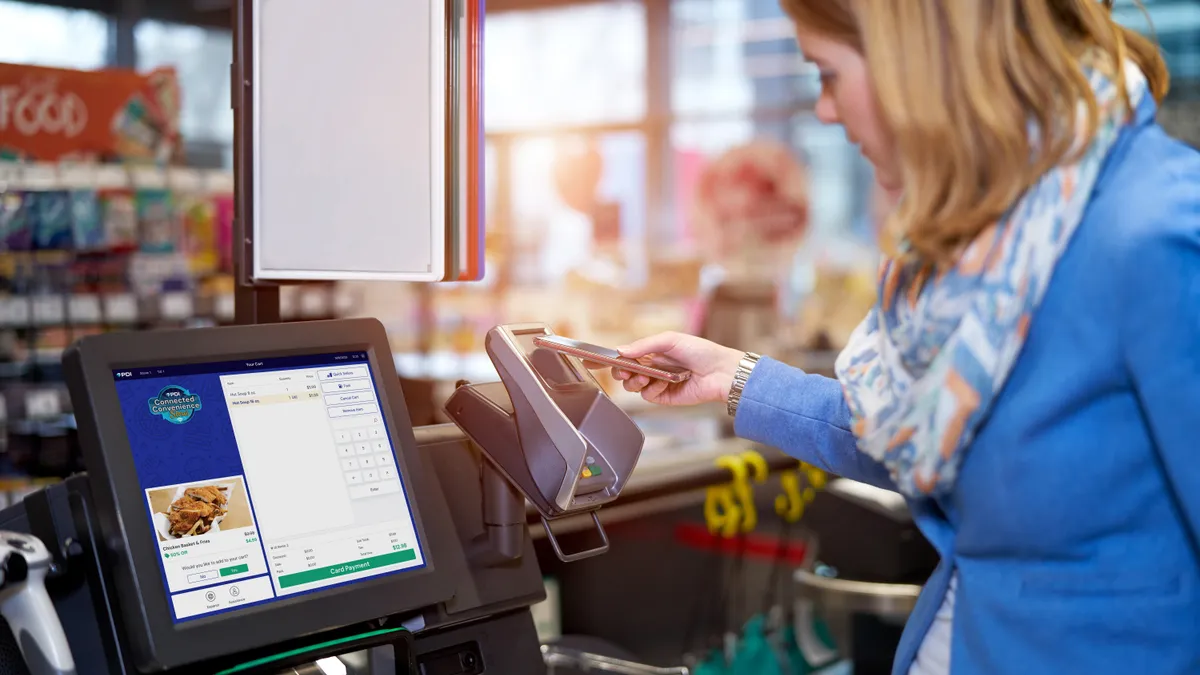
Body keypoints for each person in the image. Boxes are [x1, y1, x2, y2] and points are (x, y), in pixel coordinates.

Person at [610, 1, 1200, 674]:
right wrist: (735, 375)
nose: (824, 111)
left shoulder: (1157, 234)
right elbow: (918, 434)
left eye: (828, 75)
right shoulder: (994, 236)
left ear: (917, 61)